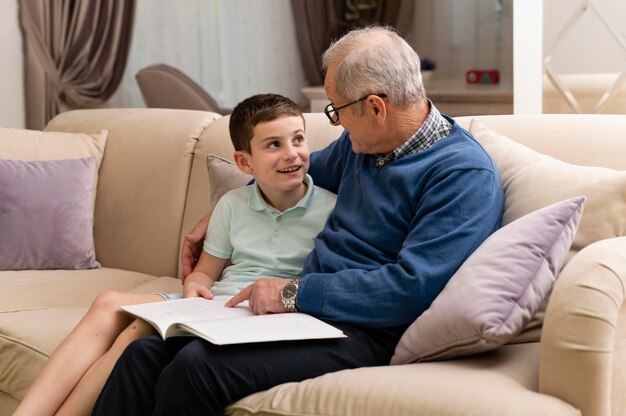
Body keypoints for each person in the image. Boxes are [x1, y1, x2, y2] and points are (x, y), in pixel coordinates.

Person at [93, 26, 504, 415]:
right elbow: (289, 178)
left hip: (365, 329)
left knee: (196, 369)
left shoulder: (461, 176)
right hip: (307, 318)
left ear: (376, 107)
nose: (336, 123)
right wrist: (217, 213)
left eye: (337, 110)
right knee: (143, 355)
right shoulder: (364, 144)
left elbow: (410, 289)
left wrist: (292, 293)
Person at [14, 93, 335, 416]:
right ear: (244, 162)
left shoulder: (330, 208)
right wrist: (194, 282)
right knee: (108, 303)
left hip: (265, 313)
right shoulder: (232, 205)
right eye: (273, 145)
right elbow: (205, 272)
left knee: (136, 333)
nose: (292, 153)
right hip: (215, 305)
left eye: (297, 139)